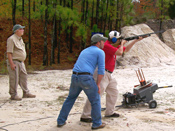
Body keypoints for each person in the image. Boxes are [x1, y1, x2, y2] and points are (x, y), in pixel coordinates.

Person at [80, 30, 143, 122]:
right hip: (102, 73)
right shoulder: (106, 46)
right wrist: (122, 44)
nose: (119, 41)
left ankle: (109, 112)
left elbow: (126, 49)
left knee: (113, 92)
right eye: (117, 40)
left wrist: (135, 40)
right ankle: (85, 116)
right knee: (96, 95)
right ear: (113, 40)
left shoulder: (111, 45)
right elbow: (120, 53)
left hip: (109, 74)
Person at [57, 34, 108, 130]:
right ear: (98, 42)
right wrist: (98, 84)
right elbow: (101, 71)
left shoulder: (84, 50)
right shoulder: (100, 52)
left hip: (75, 76)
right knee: (95, 100)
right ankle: (97, 123)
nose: (104, 43)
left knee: (70, 99)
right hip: (86, 77)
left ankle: (60, 120)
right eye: (103, 41)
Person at [6, 24, 36, 101]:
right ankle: (13, 94)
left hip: (21, 62)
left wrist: (22, 60)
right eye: (21, 29)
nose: (23, 30)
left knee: (23, 77)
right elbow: (9, 52)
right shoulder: (11, 39)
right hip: (14, 61)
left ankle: (26, 92)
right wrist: (11, 63)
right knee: (14, 78)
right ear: (16, 31)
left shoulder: (20, 39)